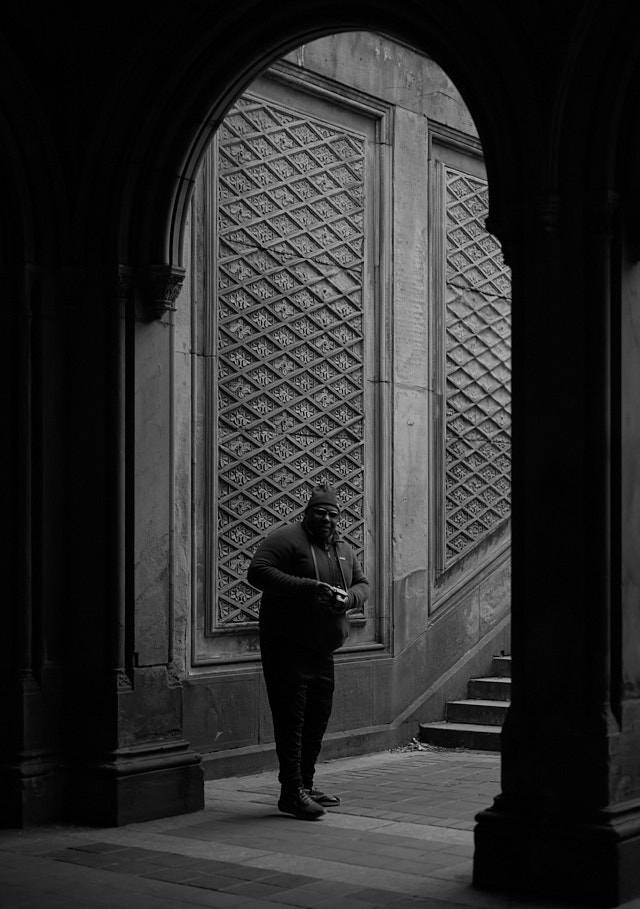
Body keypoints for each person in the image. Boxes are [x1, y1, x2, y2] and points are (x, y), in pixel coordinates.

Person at [247, 483, 369, 820]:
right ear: (308, 513)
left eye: (333, 514)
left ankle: (305, 783)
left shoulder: (343, 549)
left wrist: (350, 598)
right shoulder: (286, 539)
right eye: (320, 512)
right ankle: (291, 792)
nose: (327, 519)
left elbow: (362, 584)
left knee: (316, 719)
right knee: (292, 721)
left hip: (323, 649)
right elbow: (258, 572)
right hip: (287, 646)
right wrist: (309, 588)